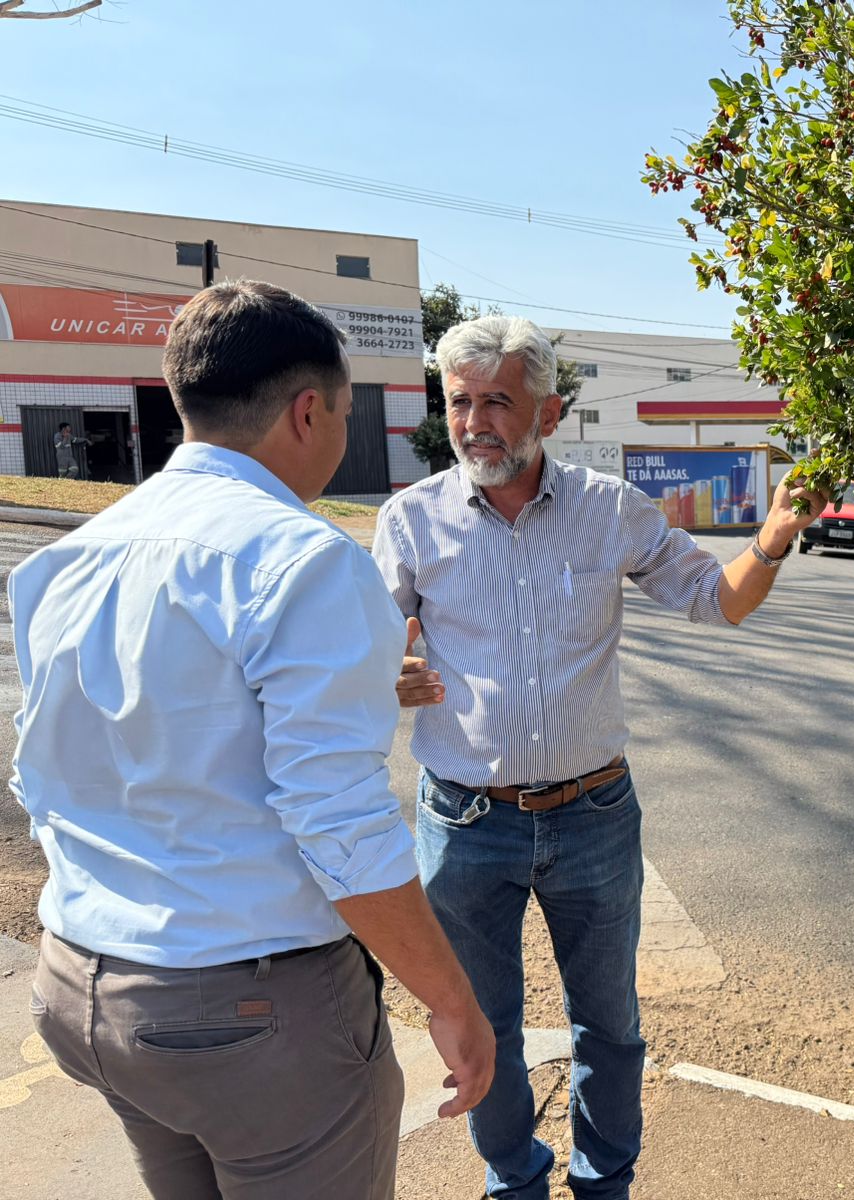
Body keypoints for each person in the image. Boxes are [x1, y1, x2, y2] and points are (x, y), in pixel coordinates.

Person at [12, 280, 496, 1200]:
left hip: (79, 981)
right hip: (246, 1015)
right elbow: (341, 825)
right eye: (348, 415)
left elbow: (51, 771)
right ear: (308, 411)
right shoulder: (304, 560)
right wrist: (451, 999)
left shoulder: (62, 563)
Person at [372, 314, 827, 1200]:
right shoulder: (410, 520)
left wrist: (772, 536)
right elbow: (364, 651)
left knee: (611, 1026)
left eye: (497, 402)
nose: (474, 424)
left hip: (593, 817)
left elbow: (713, 601)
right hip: (464, 823)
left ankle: (605, 1182)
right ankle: (515, 1180)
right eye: (460, 402)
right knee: (480, 1020)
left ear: (551, 410)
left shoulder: (609, 511)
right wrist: (381, 676)